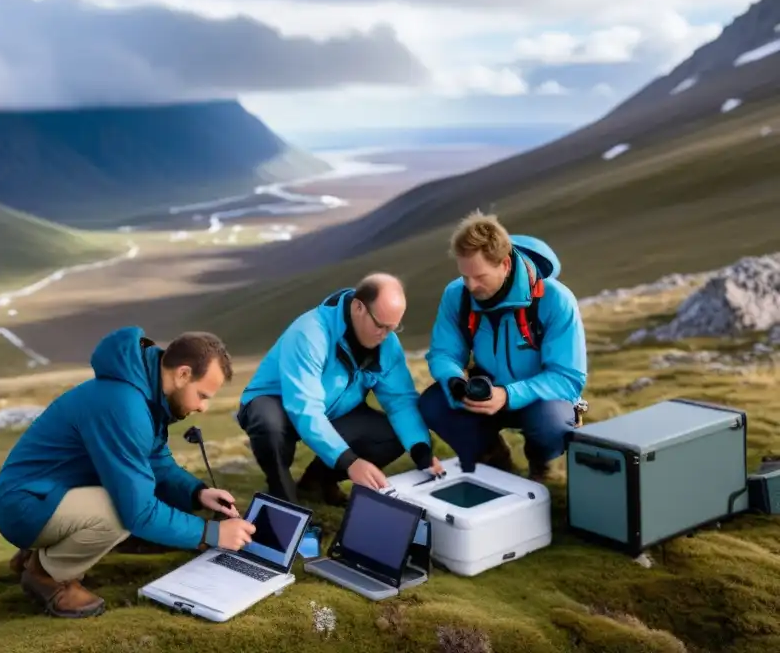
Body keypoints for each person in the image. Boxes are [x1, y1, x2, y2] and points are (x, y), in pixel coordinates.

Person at [0, 326, 255, 619]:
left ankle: (42, 552)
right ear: (182, 374)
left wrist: (197, 492)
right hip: (26, 506)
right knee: (120, 512)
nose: (203, 408)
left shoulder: (144, 396)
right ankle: (46, 575)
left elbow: (156, 461)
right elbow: (138, 512)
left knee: (127, 500)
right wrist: (212, 533)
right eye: (202, 395)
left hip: (47, 495)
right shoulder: (125, 406)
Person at [236, 273, 444, 505]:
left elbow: (401, 401)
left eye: (393, 328)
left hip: (333, 410)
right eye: (380, 326)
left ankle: (315, 485)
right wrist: (349, 461)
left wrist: (420, 450)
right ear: (358, 307)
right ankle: (282, 498)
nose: (385, 336)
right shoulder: (311, 333)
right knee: (269, 424)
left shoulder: (387, 343)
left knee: (393, 436)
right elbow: (305, 407)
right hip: (277, 403)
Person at [419, 211, 588, 482]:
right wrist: (452, 379)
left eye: (480, 276)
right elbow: (444, 352)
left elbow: (568, 378)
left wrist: (508, 395)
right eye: (464, 276)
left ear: (505, 265)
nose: (470, 286)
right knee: (433, 405)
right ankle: (493, 458)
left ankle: (540, 464)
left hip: (540, 398)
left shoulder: (556, 299)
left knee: (552, 426)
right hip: (483, 391)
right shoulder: (456, 295)